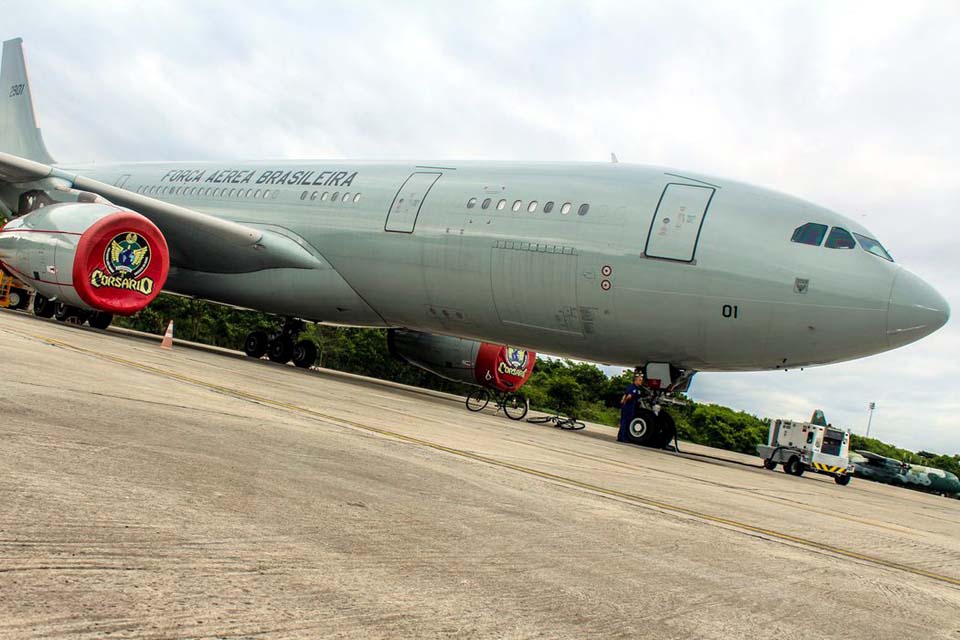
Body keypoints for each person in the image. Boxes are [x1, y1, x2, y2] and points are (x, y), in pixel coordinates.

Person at [618, 372, 645, 442]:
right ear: (635, 380)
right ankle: (622, 437)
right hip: (628, 406)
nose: (641, 382)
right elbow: (629, 396)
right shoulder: (634, 388)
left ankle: (621, 436)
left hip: (629, 406)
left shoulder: (633, 387)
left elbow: (625, 394)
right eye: (640, 380)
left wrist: (623, 401)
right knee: (625, 422)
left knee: (625, 421)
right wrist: (625, 401)